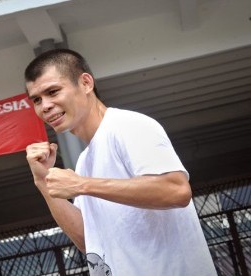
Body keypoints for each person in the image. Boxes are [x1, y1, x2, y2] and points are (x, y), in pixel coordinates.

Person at [24, 48, 217, 276]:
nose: (44, 106)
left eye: (53, 91)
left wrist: (82, 185)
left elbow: (176, 190)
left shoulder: (127, 126)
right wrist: (43, 181)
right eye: (36, 99)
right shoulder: (85, 161)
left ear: (86, 83)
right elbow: (89, 241)